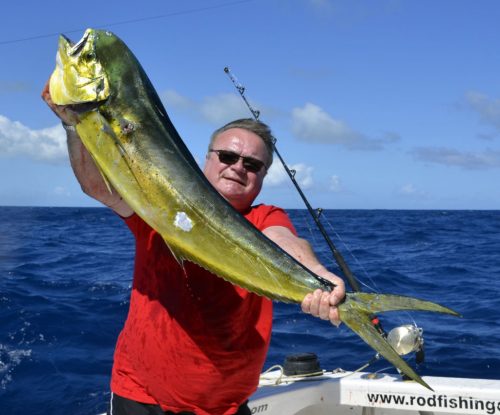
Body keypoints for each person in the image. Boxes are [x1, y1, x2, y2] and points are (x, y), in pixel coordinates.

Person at [42, 82, 345, 415]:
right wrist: (73, 125)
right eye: (228, 156)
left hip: (223, 405)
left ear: (262, 176)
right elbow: (98, 187)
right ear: (207, 158)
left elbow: (284, 241)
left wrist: (315, 275)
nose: (237, 167)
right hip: (140, 396)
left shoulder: (264, 217)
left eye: (252, 164)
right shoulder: (160, 204)